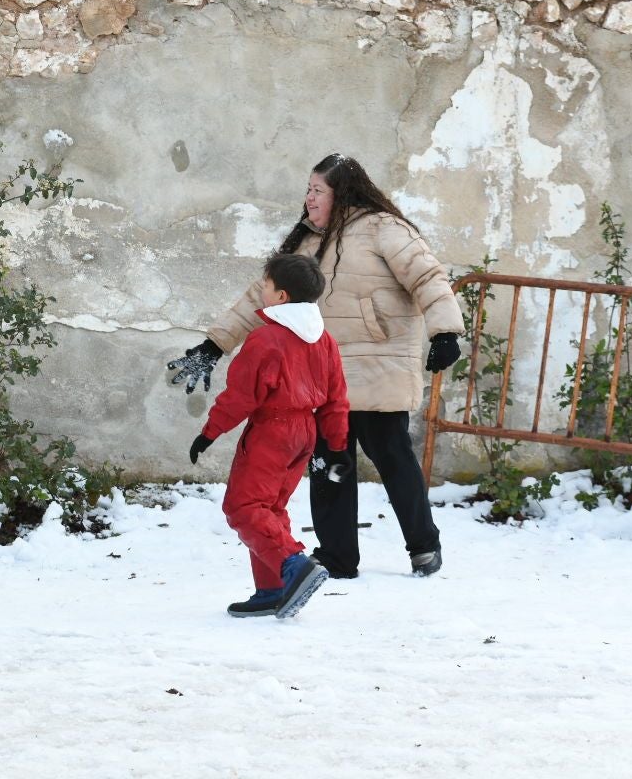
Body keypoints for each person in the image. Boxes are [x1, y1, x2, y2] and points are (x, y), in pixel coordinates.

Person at [169, 153, 462, 579]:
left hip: (379, 369)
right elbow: (261, 298)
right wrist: (214, 346)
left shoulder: (385, 229)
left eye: (317, 190)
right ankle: (339, 556)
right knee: (331, 468)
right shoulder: (307, 245)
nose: (308, 198)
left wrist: (445, 332)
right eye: (307, 189)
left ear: (341, 192)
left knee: (395, 461)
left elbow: (427, 278)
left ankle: (423, 546)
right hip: (325, 378)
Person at [188, 253, 349, 618]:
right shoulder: (325, 342)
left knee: (243, 507)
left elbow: (240, 395)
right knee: (270, 508)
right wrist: (336, 446)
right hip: (304, 433)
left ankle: (293, 564)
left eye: (266, 284)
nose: (262, 288)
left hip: (272, 432)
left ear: (281, 297)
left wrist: (209, 432)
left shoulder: (266, 340)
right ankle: (274, 587)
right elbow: (337, 400)